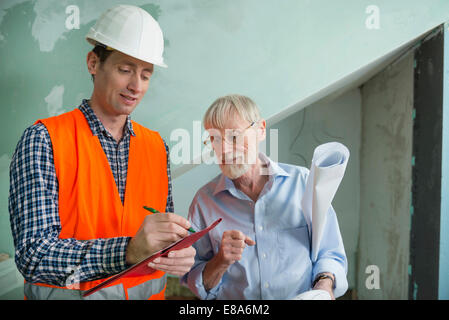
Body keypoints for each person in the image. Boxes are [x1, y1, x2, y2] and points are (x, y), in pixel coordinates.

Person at [8, 5, 195, 300]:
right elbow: (34, 255)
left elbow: (160, 238)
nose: (136, 85)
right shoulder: (44, 140)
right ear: (93, 63)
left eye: (146, 75)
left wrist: (176, 253)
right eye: (125, 70)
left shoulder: (157, 147)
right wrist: (127, 251)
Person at [181, 94, 348, 299]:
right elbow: (196, 282)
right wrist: (220, 262)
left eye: (234, 136)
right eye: (215, 139)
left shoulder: (303, 183)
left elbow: (330, 253)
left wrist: (324, 286)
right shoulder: (204, 202)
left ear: (260, 130)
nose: (223, 148)